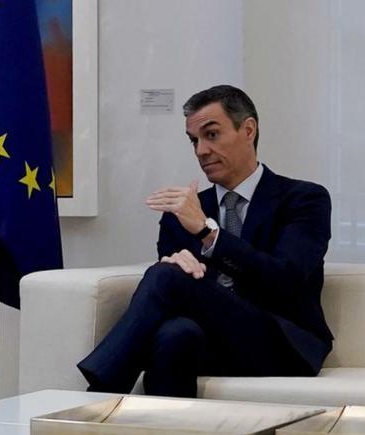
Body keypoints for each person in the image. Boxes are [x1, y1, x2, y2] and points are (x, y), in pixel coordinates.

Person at [77, 85, 333, 398]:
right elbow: (176, 293)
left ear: (248, 130)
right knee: (175, 332)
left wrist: (208, 233)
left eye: (211, 135)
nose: (200, 151)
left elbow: (287, 280)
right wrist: (174, 268)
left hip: (280, 342)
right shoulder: (180, 214)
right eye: (194, 141)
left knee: (166, 279)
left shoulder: (304, 199)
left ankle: (99, 392)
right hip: (210, 340)